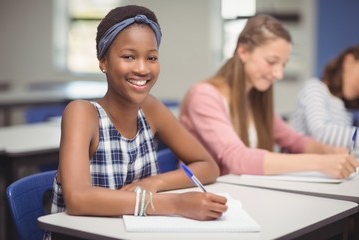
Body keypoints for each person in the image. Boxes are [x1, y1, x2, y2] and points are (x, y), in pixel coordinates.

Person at [46, 5, 227, 240]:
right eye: (128, 57)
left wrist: (155, 182)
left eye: (151, 58)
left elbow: (208, 165)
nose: (142, 68)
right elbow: (78, 199)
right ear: (103, 61)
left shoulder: (150, 108)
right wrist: (175, 203)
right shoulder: (82, 114)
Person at [179, 14, 359, 178]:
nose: (279, 74)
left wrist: (328, 151)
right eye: (272, 62)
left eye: (283, 65)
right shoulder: (204, 96)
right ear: (243, 52)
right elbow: (236, 158)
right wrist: (321, 162)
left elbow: (293, 140)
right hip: (208, 196)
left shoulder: (254, 98)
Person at [291, 45, 359, 155]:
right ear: (349, 60)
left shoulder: (344, 109)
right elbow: (321, 132)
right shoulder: (315, 88)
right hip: (301, 168)